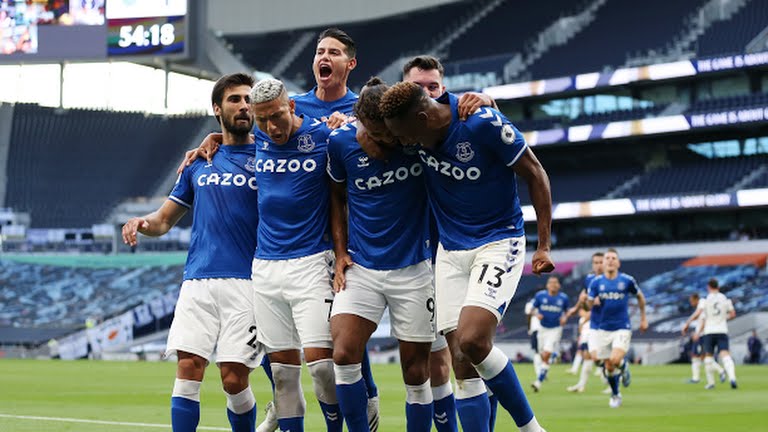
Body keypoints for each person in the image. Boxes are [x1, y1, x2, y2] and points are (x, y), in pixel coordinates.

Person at [380, 81, 554, 432]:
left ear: (423, 117)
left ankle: (531, 429)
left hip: (498, 241)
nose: (402, 143)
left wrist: (544, 245)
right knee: (461, 358)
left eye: (403, 135)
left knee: (474, 341)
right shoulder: (417, 129)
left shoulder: (481, 122)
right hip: (450, 251)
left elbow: (535, 172)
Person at [122, 73, 262, 432]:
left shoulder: (268, 155)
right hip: (197, 279)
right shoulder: (198, 163)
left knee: (233, 378)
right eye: (235, 99)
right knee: (188, 370)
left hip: (246, 281)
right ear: (218, 108)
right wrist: (142, 222)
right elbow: (165, 220)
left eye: (248, 99)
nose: (244, 105)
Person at [327, 77, 435, 432]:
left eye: (387, 133)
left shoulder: (415, 139)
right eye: (374, 133)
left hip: (414, 267)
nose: (384, 141)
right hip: (362, 265)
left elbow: (446, 113)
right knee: (342, 354)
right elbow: (337, 198)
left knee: (416, 372)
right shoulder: (341, 143)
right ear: (360, 123)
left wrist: (482, 100)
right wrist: (340, 252)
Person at [401, 54, 498, 432]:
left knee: (464, 354)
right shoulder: (396, 127)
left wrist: (488, 101)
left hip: (461, 251)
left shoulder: (460, 117)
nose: (426, 94)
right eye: (417, 87)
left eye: (433, 87)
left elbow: (489, 126)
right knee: (436, 359)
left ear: (444, 89)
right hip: (417, 257)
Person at [248, 78, 341, 432]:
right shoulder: (256, 139)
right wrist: (208, 142)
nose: (272, 127)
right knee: (283, 376)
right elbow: (229, 138)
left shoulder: (322, 138)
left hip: (312, 262)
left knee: (322, 368)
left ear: (291, 108)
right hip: (266, 267)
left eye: (276, 116)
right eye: (262, 120)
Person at [579, 248, 648, 408]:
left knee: (614, 359)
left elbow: (640, 297)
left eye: (613, 258)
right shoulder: (596, 283)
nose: (610, 260)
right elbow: (588, 306)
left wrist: (644, 318)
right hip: (599, 328)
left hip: (621, 327)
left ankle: (618, 381)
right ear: (603, 263)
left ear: (618, 262)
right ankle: (617, 389)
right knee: (600, 362)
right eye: (607, 258)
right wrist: (586, 301)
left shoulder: (627, 280)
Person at [682, 278, 738, 389]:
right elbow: (732, 314)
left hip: (709, 331)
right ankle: (732, 378)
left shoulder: (706, 300)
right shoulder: (725, 299)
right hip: (722, 330)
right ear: (718, 286)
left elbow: (699, 314)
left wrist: (687, 323)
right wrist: (723, 318)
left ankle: (711, 383)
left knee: (708, 357)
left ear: (709, 287)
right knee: (725, 355)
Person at [567, 252, 604, 393]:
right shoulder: (589, 278)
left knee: (606, 358)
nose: (598, 265)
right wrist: (575, 309)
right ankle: (581, 385)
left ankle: (614, 386)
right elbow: (584, 296)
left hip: (607, 323)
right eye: (596, 262)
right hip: (594, 323)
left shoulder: (610, 280)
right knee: (588, 355)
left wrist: (586, 317)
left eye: (601, 262)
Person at [530, 276, 570, 392]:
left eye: (555, 283)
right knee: (542, 355)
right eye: (551, 283)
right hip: (542, 329)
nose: (553, 285)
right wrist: (537, 314)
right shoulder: (540, 296)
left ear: (559, 285)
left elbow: (567, 311)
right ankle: (554, 355)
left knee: (546, 354)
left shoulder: (563, 298)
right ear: (547, 285)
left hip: (555, 329)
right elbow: (532, 309)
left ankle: (538, 382)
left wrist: (565, 317)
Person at [683, 293, 725, 383]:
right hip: (704, 334)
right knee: (701, 357)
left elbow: (704, 321)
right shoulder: (702, 307)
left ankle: (697, 378)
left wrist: (697, 333)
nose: (691, 304)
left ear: (696, 299)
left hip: (702, 335)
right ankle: (719, 371)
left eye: (691, 301)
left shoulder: (703, 305)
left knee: (700, 357)